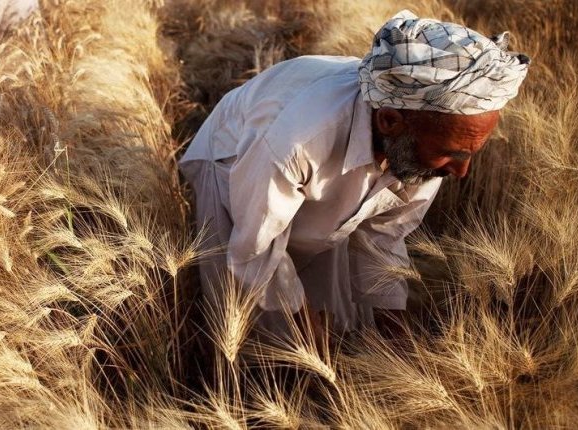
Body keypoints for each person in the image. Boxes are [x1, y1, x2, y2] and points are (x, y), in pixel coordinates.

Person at [179, 10, 530, 341]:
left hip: (305, 161)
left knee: (337, 312)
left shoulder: (424, 143)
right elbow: (256, 247)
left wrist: (396, 334)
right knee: (250, 315)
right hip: (232, 159)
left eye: (469, 154)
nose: (461, 171)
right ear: (389, 121)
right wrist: (304, 331)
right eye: (452, 154)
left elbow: (383, 237)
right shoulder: (297, 141)